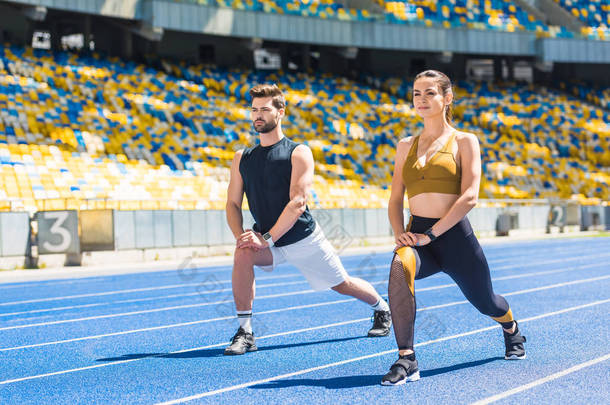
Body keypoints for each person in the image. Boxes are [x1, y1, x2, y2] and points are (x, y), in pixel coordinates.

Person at [381, 70, 527, 385]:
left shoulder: (464, 141)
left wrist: (431, 234)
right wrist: (399, 233)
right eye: (416, 93)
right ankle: (407, 358)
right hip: (419, 238)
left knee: (486, 301)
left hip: (455, 238)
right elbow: (394, 199)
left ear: (447, 98)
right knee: (398, 266)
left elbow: (470, 196)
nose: (421, 99)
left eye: (429, 93)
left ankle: (511, 329)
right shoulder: (405, 145)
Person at [224, 83, 391, 355]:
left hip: (303, 239)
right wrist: (242, 236)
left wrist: (266, 239)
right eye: (254, 109)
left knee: (341, 284)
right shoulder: (242, 157)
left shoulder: (298, 152)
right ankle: (246, 332)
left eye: (264, 110)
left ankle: (381, 308)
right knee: (242, 251)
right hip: (268, 242)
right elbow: (232, 203)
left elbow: (297, 203)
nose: (257, 115)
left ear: (280, 112)